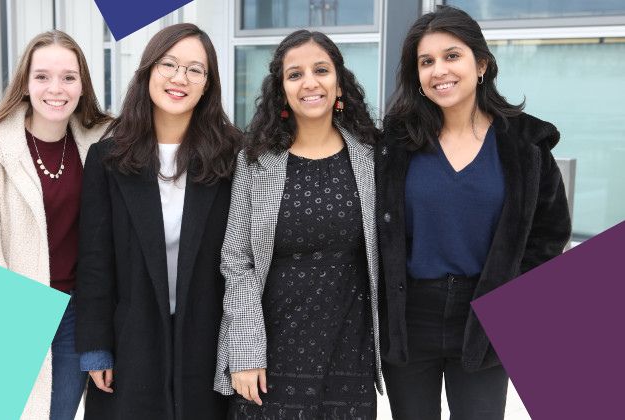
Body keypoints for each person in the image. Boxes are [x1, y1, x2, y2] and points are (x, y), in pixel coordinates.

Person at [377, 6, 572, 420]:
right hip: (410, 317)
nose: (439, 71)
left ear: (481, 64)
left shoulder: (526, 143)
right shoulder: (395, 143)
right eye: (426, 62)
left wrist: (512, 302)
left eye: (452, 56)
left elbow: (549, 235)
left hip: (486, 317)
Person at [214, 30, 383, 419]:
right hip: (271, 352)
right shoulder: (255, 160)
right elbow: (237, 260)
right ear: (282, 89)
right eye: (295, 74)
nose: (309, 82)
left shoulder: (372, 156)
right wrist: (244, 352)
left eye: (321, 70)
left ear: (339, 82)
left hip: (350, 352)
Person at [75, 23, 240, 419]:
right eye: (169, 64)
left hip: (209, 336)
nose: (179, 78)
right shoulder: (108, 158)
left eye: (195, 70)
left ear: (208, 85)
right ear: (148, 71)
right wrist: (96, 347)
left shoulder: (233, 156)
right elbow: (95, 260)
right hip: (132, 338)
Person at [0, 30, 111, 419]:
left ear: (82, 85)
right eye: (42, 76)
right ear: (25, 83)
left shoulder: (101, 141)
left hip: (75, 313)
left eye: (68, 77)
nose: (56, 89)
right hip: (16, 313)